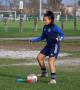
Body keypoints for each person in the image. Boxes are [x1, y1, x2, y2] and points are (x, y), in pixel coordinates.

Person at [31, 11, 64, 84]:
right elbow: (42, 37)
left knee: (50, 61)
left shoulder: (55, 27)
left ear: (50, 20)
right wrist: (33, 40)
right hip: (48, 45)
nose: (44, 21)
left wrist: (59, 39)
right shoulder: (45, 27)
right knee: (39, 58)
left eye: (45, 20)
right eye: (43, 19)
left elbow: (62, 34)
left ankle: (53, 79)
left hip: (54, 46)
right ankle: (44, 73)